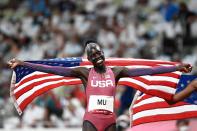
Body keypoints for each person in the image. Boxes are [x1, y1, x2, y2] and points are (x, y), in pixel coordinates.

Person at [7, 40, 194, 131]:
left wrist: (176, 66)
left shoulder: (117, 72)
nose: (97, 57)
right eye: (93, 55)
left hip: (110, 120)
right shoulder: (84, 73)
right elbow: (51, 69)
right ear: (89, 59)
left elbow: (147, 71)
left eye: (98, 53)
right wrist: (24, 64)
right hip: (91, 120)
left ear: (103, 53)